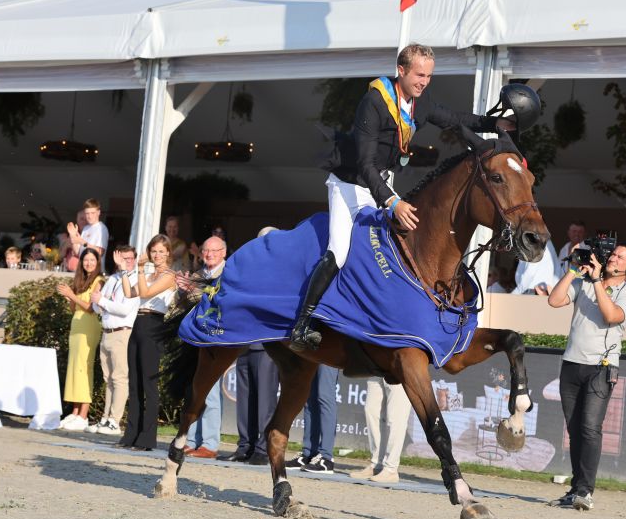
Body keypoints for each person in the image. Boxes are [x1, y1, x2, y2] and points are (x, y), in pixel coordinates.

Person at [289, 43, 533, 351]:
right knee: (340, 250)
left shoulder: (420, 100)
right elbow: (365, 165)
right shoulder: (374, 102)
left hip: (383, 181)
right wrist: (393, 201)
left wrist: (493, 124)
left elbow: (455, 119)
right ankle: (302, 323)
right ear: (401, 71)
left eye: (429, 76)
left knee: (398, 245)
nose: (424, 82)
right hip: (351, 183)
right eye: (419, 75)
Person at [546, 241, 626, 511]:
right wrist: (574, 271)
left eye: (620, 257)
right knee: (574, 430)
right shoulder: (583, 282)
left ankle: (585, 491)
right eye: (612, 254)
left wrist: (597, 280)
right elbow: (553, 300)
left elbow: (611, 315)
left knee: (589, 428)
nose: (613, 258)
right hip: (571, 364)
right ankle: (576, 488)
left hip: (602, 366)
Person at [220, 227, 280, 465]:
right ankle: (245, 444)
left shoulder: (278, 271)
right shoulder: (250, 268)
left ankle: (263, 449)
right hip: (244, 340)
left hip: (267, 344)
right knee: (244, 398)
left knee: (265, 400)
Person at [118, 234, 177, 451]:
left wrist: (140, 269)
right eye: (154, 251)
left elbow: (146, 292)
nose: (157, 255)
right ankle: (130, 435)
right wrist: (125, 270)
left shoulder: (170, 275)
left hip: (154, 324)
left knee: (149, 384)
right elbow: (129, 292)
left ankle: (146, 438)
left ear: (168, 253)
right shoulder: (149, 274)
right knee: (134, 383)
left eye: (162, 251)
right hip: (138, 323)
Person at [177, 236, 228, 458]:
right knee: (196, 391)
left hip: (216, 338)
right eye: (206, 250)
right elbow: (185, 304)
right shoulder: (199, 274)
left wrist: (197, 292)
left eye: (214, 251)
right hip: (196, 338)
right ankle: (193, 439)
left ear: (223, 252)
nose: (209, 254)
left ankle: (209, 443)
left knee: (212, 393)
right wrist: (183, 290)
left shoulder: (228, 274)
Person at [87, 244, 140, 436]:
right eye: (122, 258)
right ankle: (105, 418)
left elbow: (124, 308)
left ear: (134, 259)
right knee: (108, 378)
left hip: (122, 332)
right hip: (107, 330)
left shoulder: (135, 279)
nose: (125, 261)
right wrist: (102, 303)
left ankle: (115, 421)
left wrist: (102, 302)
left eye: (129, 258)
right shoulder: (113, 278)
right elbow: (96, 306)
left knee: (119, 378)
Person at [55, 248, 104, 431]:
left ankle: (83, 414)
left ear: (97, 262)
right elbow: (73, 307)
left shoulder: (99, 281)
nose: (89, 263)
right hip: (76, 327)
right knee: (75, 369)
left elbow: (91, 308)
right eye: (86, 260)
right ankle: (75, 412)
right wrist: (70, 296)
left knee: (84, 368)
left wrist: (71, 295)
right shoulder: (80, 280)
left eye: (92, 260)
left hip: (89, 328)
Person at [349, 376, 412, 484]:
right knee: (371, 410)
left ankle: (391, 469)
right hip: (378, 364)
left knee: (396, 417)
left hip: (400, 365)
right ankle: (376, 464)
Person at [284, 365, 339, 473]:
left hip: (329, 351)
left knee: (325, 396)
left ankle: (326, 458)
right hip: (313, 351)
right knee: (309, 400)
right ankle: (309, 453)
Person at [67, 198, 109, 271]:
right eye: (87, 213)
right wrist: (73, 236)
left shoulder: (101, 228)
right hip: (83, 272)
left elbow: (100, 252)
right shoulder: (86, 228)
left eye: (92, 213)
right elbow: (78, 253)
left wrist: (82, 242)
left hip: (95, 272)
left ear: (98, 212)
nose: (89, 216)